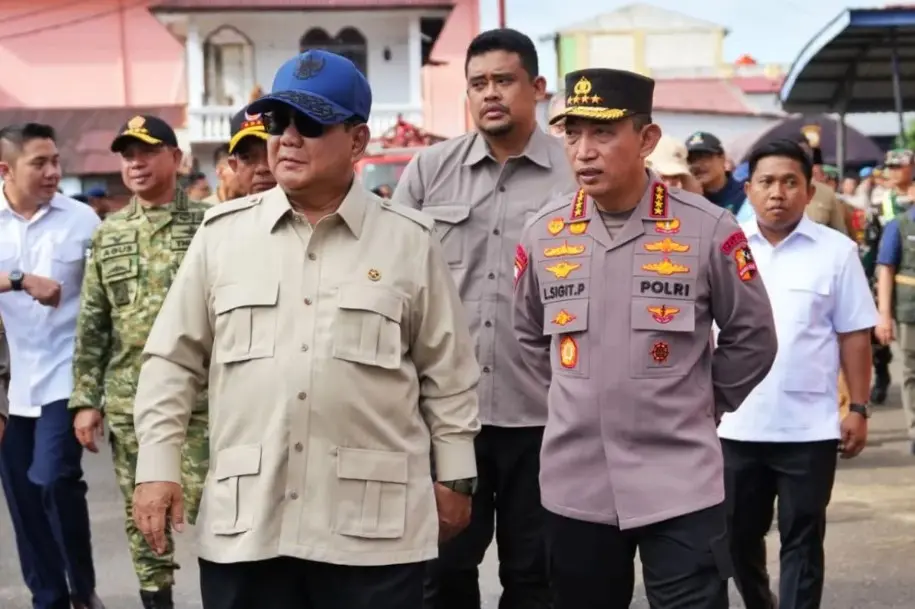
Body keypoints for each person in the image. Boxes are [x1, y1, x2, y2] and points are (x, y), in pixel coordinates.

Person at [130, 49, 481, 609]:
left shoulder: (409, 242)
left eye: (311, 123)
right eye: (276, 123)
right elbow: (172, 361)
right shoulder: (223, 236)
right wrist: (156, 467)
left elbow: (449, 370)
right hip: (250, 523)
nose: (287, 139)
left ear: (359, 141)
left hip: (372, 533)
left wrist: (457, 475)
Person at [514, 68, 778, 609]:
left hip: (679, 479)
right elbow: (529, 338)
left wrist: (702, 401)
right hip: (576, 483)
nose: (584, 151)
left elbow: (753, 337)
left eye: (603, 133)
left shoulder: (707, 230)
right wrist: (580, 398)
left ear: (647, 139)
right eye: (572, 134)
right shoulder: (543, 234)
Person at [393, 28, 574, 609]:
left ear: (537, 88)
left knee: (536, 578)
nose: (490, 93)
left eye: (504, 80)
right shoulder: (427, 173)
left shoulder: (575, 178)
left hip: (544, 417)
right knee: (440, 574)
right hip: (447, 419)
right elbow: (391, 285)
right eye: (478, 83)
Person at [719, 139, 875, 609]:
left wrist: (860, 408)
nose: (778, 193)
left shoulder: (838, 252)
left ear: (810, 191)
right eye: (766, 182)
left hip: (808, 429)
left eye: (791, 182)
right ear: (748, 189)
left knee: (803, 540)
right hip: (734, 425)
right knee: (735, 538)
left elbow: (854, 335)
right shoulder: (724, 248)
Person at [69, 115, 210, 609]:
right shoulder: (109, 234)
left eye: (147, 152)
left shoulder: (209, 226)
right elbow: (93, 322)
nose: (135, 163)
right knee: (143, 520)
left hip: (207, 402)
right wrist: (86, 399)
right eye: (128, 155)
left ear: (176, 158)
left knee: (220, 513)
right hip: (133, 403)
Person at [0, 123, 105, 609]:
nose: (52, 172)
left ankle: (81, 590)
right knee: (22, 497)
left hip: (67, 374)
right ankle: (50, 598)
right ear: (6, 169)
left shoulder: (82, 220)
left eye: (55, 161)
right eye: (38, 163)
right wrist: (19, 280)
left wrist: (97, 395)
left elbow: (106, 304)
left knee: (53, 479)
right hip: (10, 382)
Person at [875, 149, 915, 453]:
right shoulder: (898, 223)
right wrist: (883, 314)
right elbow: (885, 268)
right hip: (908, 307)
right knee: (911, 370)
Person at [685, 130, 746, 215]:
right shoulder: (688, 198)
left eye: (704, 157)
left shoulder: (744, 194)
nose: (697, 165)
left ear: (722, 158)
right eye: (691, 160)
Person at [226, 108, 276, 196]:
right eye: (246, 157)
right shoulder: (223, 209)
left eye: (272, 154)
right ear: (234, 165)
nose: (262, 169)